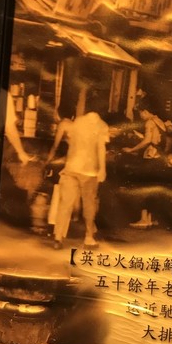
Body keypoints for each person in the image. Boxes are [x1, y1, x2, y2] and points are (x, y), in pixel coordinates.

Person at [52, 94, 109, 250]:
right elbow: (101, 148)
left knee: (65, 203)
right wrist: (102, 169)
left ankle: (58, 238)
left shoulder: (77, 122)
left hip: (71, 168)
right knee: (89, 205)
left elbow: (70, 140)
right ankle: (89, 238)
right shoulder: (102, 126)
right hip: (89, 171)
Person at [122, 102, 167, 228]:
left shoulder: (149, 123)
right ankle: (150, 219)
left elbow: (147, 141)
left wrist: (131, 149)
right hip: (159, 159)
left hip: (150, 159)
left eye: (140, 113)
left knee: (144, 188)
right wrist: (140, 135)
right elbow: (154, 139)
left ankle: (143, 219)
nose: (140, 116)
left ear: (145, 111)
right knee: (153, 189)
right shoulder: (159, 121)